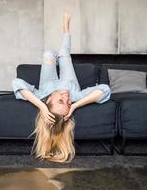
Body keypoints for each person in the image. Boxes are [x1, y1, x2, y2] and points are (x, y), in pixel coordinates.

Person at [11, 13, 111, 163]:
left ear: (49, 99)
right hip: (68, 80)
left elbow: (16, 83)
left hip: (48, 83)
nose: (66, 97)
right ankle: (66, 27)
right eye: (68, 103)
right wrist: (75, 105)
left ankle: (54, 57)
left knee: (48, 53)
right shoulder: (74, 95)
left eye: (60, 101)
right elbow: (105, 89)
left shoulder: (41, 97)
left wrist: (41, 106)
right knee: (64, 53)